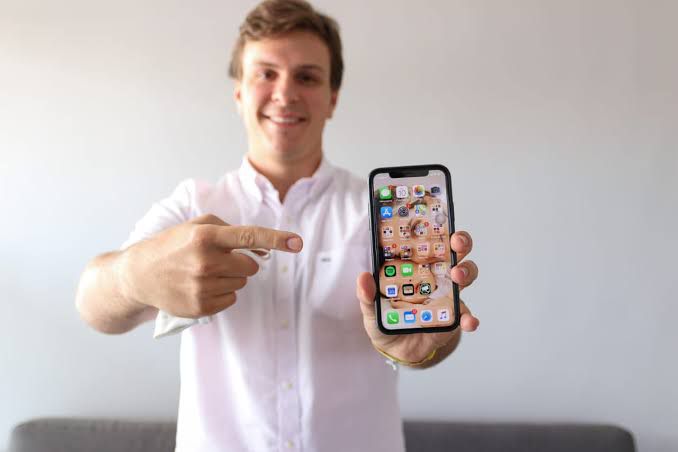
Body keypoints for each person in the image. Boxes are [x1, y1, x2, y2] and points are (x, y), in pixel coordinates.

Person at [75, 0, 480, 450]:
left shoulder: (380, 213)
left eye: (307, 77)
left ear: (332, 99)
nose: (285, 94)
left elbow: (428, 346)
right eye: (266, 73)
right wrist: (134, 277)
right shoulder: (193, 206)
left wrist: (425, 350)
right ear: (238, 93)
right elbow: (91, 304)